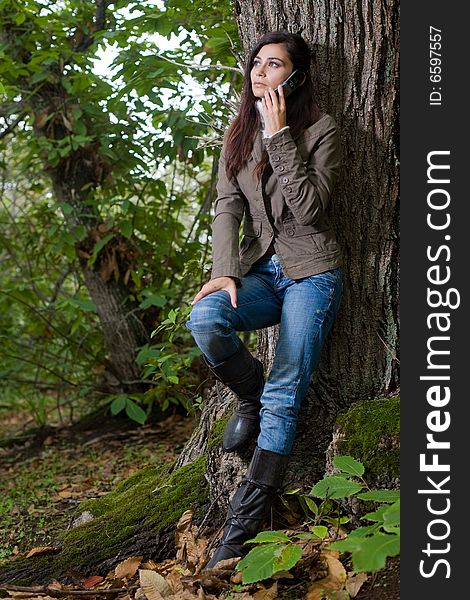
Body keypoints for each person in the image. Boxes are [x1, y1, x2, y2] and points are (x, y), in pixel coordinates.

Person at [186, 30, 343, 568]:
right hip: (260, 271)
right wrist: (224, 272)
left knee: (286, 387)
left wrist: (281, 137)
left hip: (312, 273)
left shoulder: (321, 131)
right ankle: (247, 397)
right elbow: (227, 205)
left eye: (273, 65)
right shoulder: (238, 134)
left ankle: (242, 525)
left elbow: (310, 211)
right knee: (205, 318)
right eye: (256, 63)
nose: (258, 72)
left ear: (295, 76)